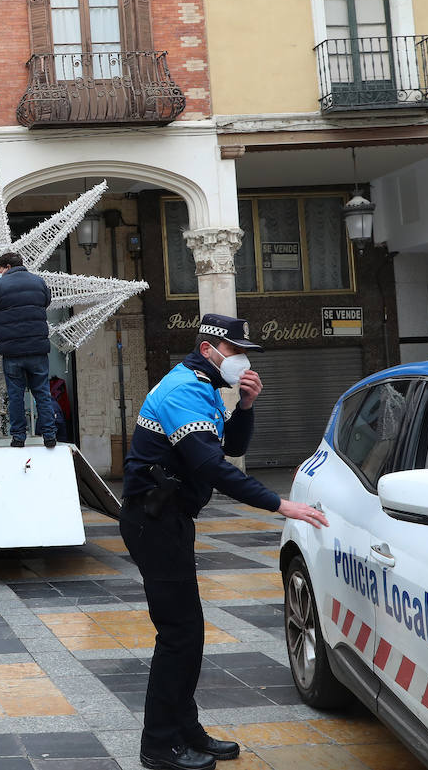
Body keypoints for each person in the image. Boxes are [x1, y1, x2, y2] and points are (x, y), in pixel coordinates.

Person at [121, 314, 329, 770]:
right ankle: (158, 745)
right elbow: (212, 468)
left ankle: (185, 730)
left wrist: (246, 406)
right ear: (210, 348)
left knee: (186, 634)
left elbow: (227, 447)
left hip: (168, 519)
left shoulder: (204, 387)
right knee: (179, 636)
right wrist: (281, 505)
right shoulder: (183, 391)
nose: (243, 359)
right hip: (153, 521)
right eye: (237, 351)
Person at [0, 251, 57, 448]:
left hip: (12, 352)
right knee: (42, 393)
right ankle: (50, 435)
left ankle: (19, 437)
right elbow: (46, 301)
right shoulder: (38, 282)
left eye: (0, 269)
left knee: (15, 394)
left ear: (7, 267)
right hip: (37, 349)